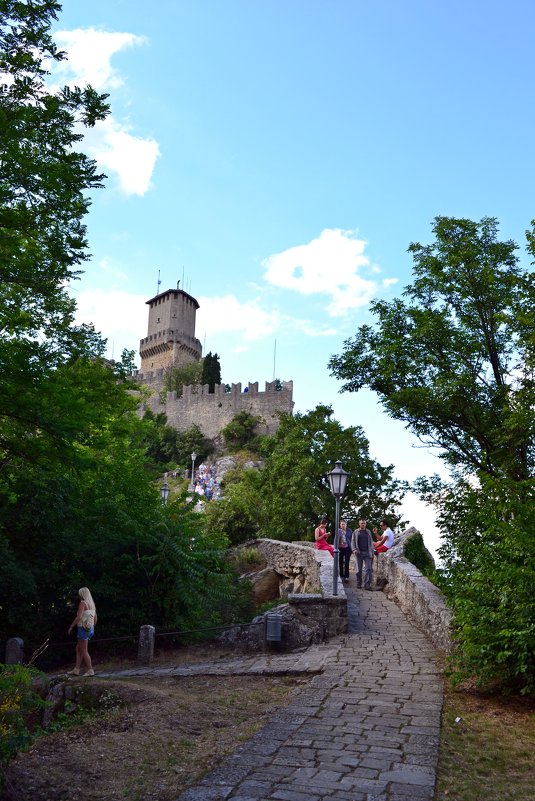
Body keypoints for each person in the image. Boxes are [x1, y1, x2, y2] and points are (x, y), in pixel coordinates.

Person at [67, 587, 97, 677]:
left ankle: (90, 670)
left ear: (82, 594)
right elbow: (95, 618)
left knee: (84, 650)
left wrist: (71, 626)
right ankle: (76, 669)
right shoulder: (91, 604)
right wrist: (92, 628)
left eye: (79, 593)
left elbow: (79, 617)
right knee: (78, 649)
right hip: (89, 629)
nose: (78, 595)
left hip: (83, 629)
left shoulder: (82, 603)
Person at [352, 519, 374, 589]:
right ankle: (359, 583)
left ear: (366, 524)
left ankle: (367, 585)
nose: (363, 524)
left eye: (364, 523)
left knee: (368, 569)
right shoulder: (356, 532)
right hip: (359, 553)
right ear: (359, 524)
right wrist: (354, 549)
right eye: (362, 523)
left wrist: (372, 552)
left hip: (367, 553)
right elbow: (352, 542)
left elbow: (371, 542)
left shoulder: (368, 532)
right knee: (358, 570)